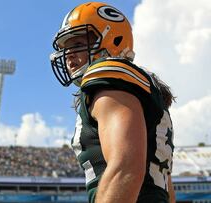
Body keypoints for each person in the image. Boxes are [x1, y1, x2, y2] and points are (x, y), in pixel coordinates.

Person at [50, 2, 176, 203]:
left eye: (77, 44)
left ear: (113, 39)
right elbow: (166, 187)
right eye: (65, 48)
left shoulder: (110, 79)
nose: (69, 55)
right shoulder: (142, 90)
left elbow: (125, 167)